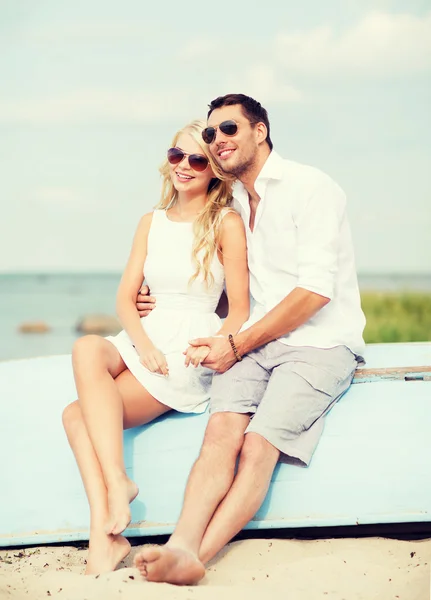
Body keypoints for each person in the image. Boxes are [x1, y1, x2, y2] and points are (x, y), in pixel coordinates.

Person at [133, 94, 366, 585]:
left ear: (260, 132)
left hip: (320, 344)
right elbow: (233, 294)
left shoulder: (310, 186)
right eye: (212, 133)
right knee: (219, 437)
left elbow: (315, 292)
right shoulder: (231, 202)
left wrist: (236, 344)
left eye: (230, 130)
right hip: (257, 341)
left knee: (257, 447)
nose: (218, 141)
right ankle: (181, 544)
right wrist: (157, 304)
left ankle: (198, 556)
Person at [61, 119, 249, 575]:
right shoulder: (151, 221)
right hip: (146, 337)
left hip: (187, 346)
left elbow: (240, 310)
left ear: (213, 170)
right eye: (176, 156)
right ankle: (118, 483)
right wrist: (143, 346)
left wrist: (215, 344)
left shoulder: (225, 222)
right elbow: (125, 299)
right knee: (87, 347)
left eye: (197, 159)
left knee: (73, 415)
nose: (184, 166)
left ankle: (102, 537)